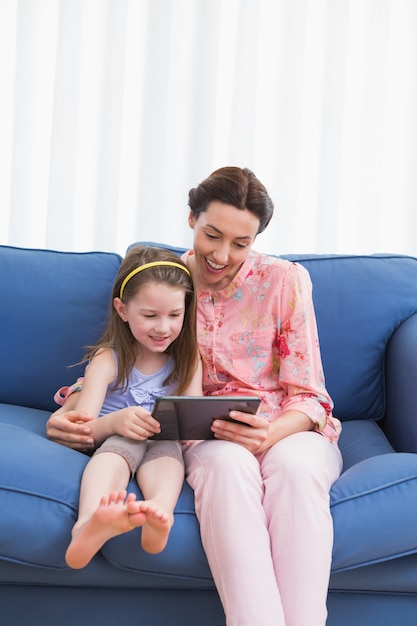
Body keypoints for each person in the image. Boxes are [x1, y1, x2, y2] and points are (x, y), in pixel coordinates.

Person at [47, 167, 342, 625]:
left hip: (286, 426)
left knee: (296, 467)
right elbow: (127, 361)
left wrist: (270, 434)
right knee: (228, 466)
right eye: (213, 235)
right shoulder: (169, 282)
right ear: (192, 219)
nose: (223, 255)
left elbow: (309, 394)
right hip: (207, 435)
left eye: (240, 243)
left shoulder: (286, 281)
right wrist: (72, 406)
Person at [58, 245, 202, 569]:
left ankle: (159, 511)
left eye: (174, 315)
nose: (163, 327)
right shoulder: (108, 359)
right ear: (123, 310)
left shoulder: (189, 362)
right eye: (150, 316)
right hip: (113, 440)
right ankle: (87, 524)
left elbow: (189, 423)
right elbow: (81, 427)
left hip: (161, 442)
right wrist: (115, 423)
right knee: (123, 443)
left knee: (168, 448)